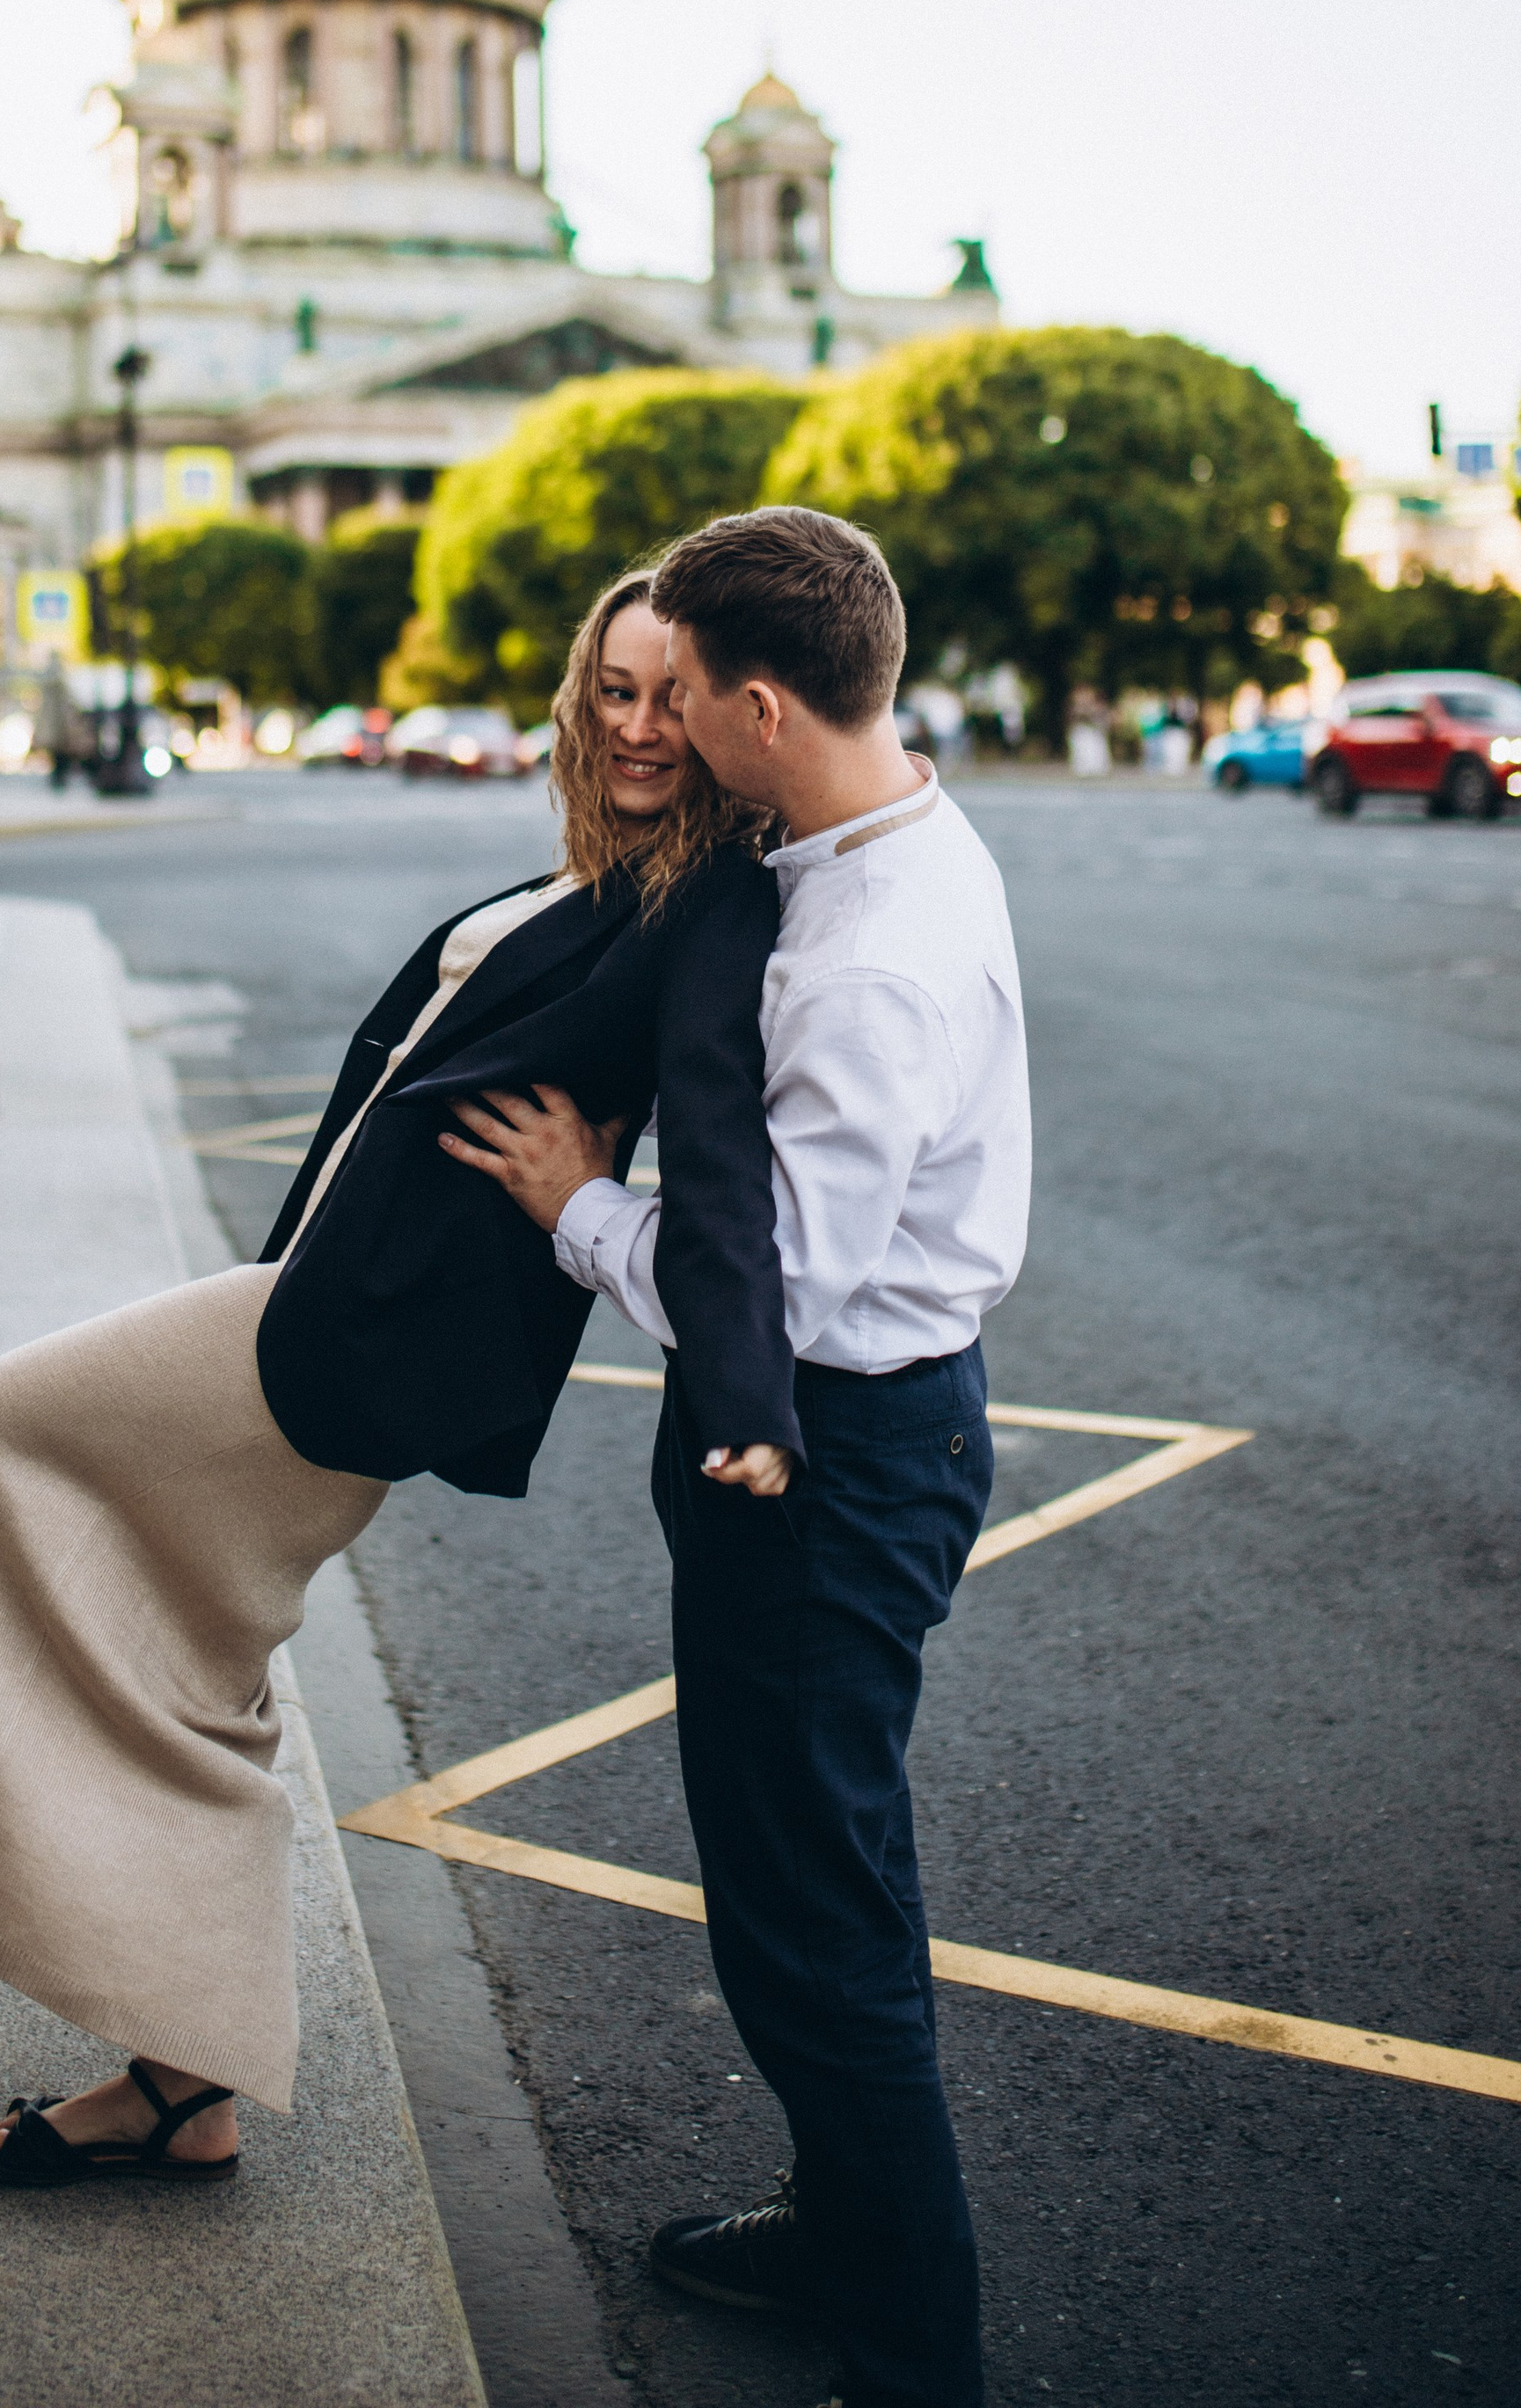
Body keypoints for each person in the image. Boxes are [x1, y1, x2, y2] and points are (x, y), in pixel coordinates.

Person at [0, 570, 794, 2187]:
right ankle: (183, 2081)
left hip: (367, 1334)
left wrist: (742, 1386)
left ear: (719, 711)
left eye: (670, 696)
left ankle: (12, 1884)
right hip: (320, 1287)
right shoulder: (601, 872)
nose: (636, 726)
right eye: (611, 689)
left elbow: (730, 1150)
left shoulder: (711, 900)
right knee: (199, 1651)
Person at [447, 508, 1030, 2408]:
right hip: (858, 1439)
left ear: (762, 707)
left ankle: (907, 2345)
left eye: (681, 693)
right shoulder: (874, 834)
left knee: (814, 1916)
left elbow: (766, 1292)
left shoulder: (862, 963)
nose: (658, 722)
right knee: (793, 1871)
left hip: (837, 1458)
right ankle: (840, 2218)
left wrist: (573, 1204)